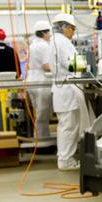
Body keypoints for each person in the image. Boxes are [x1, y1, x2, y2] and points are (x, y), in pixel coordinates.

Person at [49, 13, 86, 170]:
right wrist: (85, 64)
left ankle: (64, 158)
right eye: (72, 28)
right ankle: (66, 160)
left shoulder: (54, 41)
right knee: (69, 127)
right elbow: (76, 66)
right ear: (64, 27)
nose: (73, 32)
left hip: (61, 89)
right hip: (67, 89)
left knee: (65, 126)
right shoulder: (63, 42)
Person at [26, 20, 54, 141]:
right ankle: (42, 140)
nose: (50, 35)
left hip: (31, 80)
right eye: (49, 32)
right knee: (43, 113)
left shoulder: (32, 45)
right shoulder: (44, 46)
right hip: (41, 81)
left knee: (38, 111)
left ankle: (40, 136)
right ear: (44, 33)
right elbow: (46, 66)